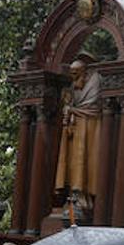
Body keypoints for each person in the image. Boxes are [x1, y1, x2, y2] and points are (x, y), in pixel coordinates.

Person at [54, 53, 103, 208]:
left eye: (76, 74)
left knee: (87, 160)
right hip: (76, 128)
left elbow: (93, 107)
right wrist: (68, 109)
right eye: (71, 74)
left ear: (84, 72)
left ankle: (83, 195)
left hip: (90, 126)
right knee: (73, 161)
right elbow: (70, 103)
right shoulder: (73, 87)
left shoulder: (95, 82)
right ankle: (74, 194)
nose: (73, 78)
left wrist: (73, 110)